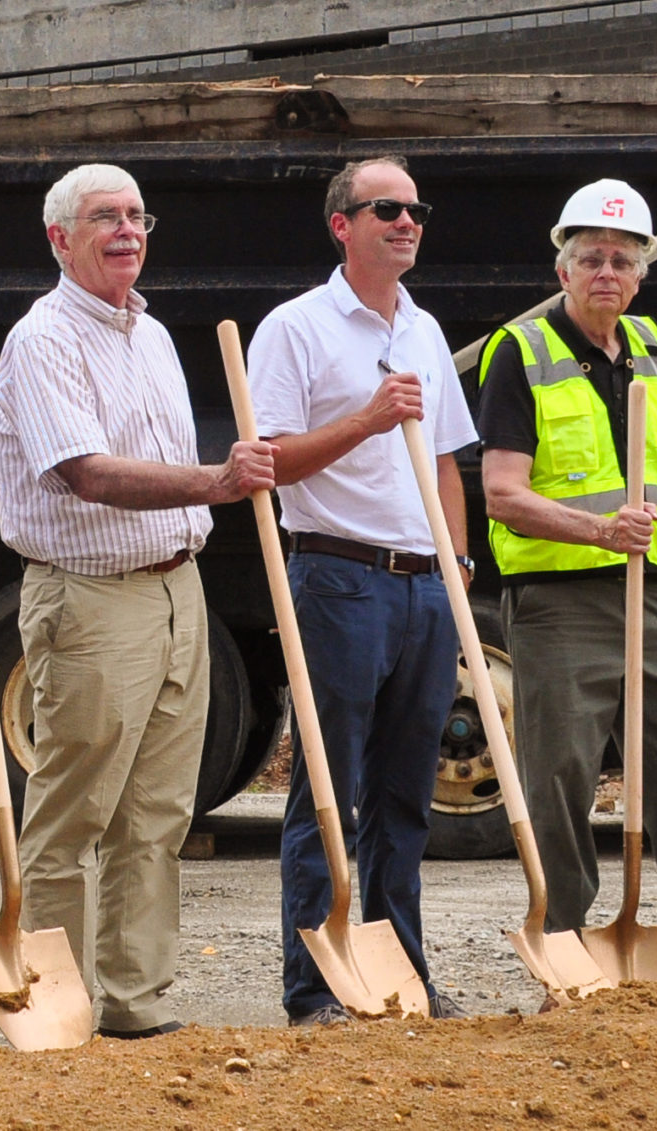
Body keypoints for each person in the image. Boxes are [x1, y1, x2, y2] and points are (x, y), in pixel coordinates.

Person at [0, 163, 276, 1038]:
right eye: (103, 217)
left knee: (156, 814)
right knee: (74, 809)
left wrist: (200, 504)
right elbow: (87, 472)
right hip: (90, 599)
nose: (126, 231)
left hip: (174, 589)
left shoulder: (145, 334)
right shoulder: (43, 341)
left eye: (138, 216)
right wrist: (214, 480)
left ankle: (131, 1000)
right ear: (58, 239)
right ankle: (49, 1001)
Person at [477, 177, 657, 974]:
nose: (606, 274)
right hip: (561, 603)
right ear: (563, 269)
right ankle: (563, 948)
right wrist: (599, 527)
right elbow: (502, 493)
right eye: (590, 258)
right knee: (558, 781)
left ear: (641, 274)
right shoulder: (521, 352)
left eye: (623, 261)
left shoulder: (653, 350)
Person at [247, 155, 479, 1026]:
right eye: (387, 207)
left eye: (417, 208)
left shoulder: (421, 328)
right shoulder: (295, 328)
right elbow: (267, 462)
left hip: (424, 588)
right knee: (327, 787)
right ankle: (316, 990)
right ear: (341, 223)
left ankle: (402, 977)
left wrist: (457, 566)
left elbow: (449, 460)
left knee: (403, 799)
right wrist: (366, 419)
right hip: (339, 576)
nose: (408, 220)